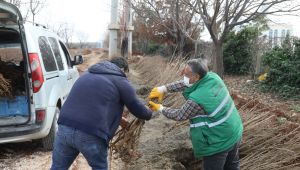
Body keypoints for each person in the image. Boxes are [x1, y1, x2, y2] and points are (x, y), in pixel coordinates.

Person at [51, 57, 152, 170]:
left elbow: (90, 104)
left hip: (65, 128)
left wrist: (119, 120)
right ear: (123, 69)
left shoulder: (86, 74)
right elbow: (138, 109)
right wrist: (150, 111)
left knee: (57, 168)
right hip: (91, 134)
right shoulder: (120, 80)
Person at [148, 58, 243, 170]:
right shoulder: (213, 77)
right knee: (232, 167)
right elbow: (186, 84)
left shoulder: (197, 99)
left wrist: (160, 108)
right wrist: (164, 89)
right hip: (234, 131)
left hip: (218, 141)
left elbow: (179, 115)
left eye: (187, 74)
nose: (183, 76)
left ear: (197, 77)